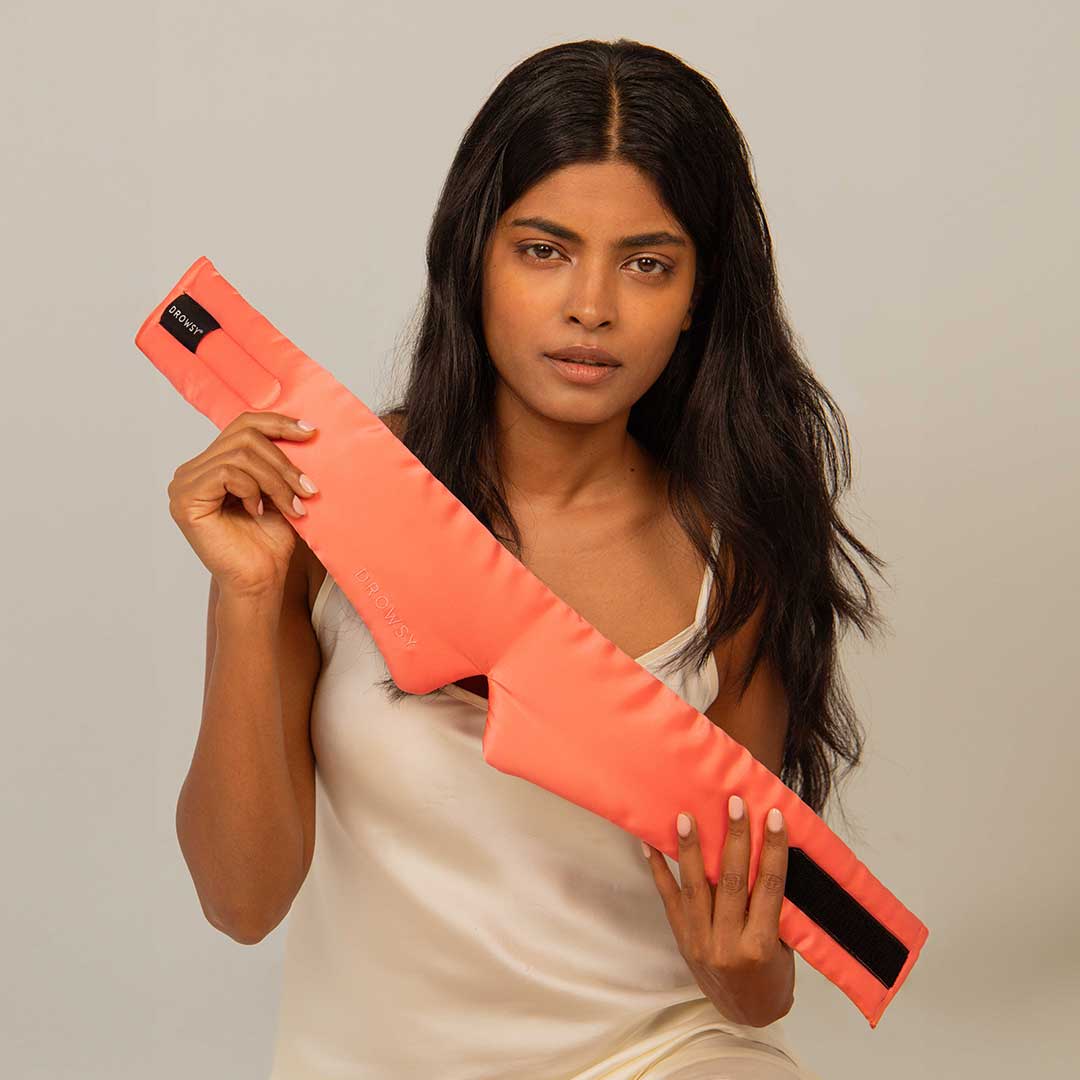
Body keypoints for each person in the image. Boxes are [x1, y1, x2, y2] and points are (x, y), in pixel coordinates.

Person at [170, 37, 886, 1079]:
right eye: (544, 249)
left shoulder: (736, 557)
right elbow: (241, 902)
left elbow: (756, 981)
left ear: (699, 291)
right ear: (475, 257)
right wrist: (247, 593)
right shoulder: (329, 503)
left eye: (647, 262)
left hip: (661, 1056)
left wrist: (745, 964)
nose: (591, 305)